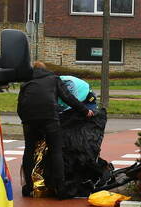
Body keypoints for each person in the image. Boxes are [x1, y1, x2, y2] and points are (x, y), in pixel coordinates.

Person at [17, 61, 94, 198]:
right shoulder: (53, 79)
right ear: (45, 69)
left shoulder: (26, 83)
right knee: (55, 151)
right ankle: (60, 189)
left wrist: (26, 120)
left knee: (29, 150)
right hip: (49, 118)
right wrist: (85, 111)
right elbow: (68, 97)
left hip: (29, 119)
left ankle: (28, 187)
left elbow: (20, 105)